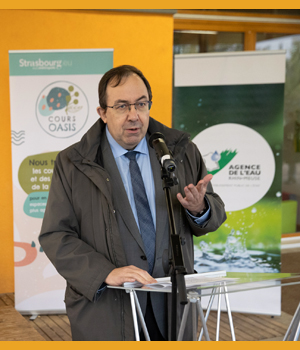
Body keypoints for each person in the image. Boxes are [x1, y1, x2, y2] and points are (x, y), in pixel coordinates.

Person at [39, 65, 226, 341]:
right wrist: (106, 272)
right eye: (122, 106)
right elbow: (56, 235)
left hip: (172, 305)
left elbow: (215, 210)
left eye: (141, 104)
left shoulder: (179, 150)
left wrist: (200, 209)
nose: (133, 116)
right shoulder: (73, 163)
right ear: (103, 113)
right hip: (108, 310)